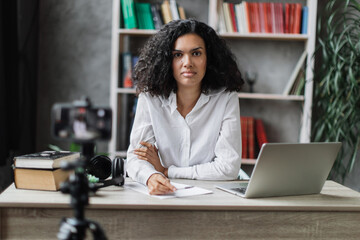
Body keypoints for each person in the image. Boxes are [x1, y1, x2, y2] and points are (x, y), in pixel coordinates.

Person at [126, 19, 244, 195]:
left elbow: (228, 167)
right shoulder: (150, 98)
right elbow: (136, 158)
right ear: (167, 60)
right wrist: (151, 176)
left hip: (213, 197)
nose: (187, 62)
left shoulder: (226, 98)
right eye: (178, 55)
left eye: (196, 54)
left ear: (208, 59)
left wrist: (167, 171)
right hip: (163, 196)